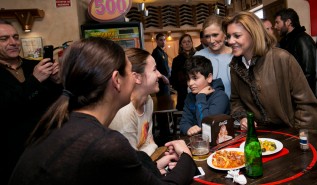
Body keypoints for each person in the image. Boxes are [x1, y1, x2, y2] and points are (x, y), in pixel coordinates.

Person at [8, 37, 198, 185]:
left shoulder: (63, 120)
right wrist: (187, 156)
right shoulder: (105, 142)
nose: (133, 78)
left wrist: (151, 166)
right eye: (130, 71)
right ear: (117, 80)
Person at [224, 11, 317, 131]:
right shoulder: (235, 67)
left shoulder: (281, 58)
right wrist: (243, 117)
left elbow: (307, 106)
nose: (230, 41)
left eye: (237, 36)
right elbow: (236, 101)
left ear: (254, 34)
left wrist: (299, 138)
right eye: (229, 36)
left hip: (288, 133)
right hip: (257, 135)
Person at [0, 20, 62, 184]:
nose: (13, 42)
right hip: (13, 153)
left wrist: (57, 82)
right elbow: (6, 107)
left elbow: (56, 103)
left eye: (15, 37)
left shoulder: (35, 66)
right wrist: (35, 81)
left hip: (48, 147)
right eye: (4, 39)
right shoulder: (37, 73)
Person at [109, 48, 160, 156]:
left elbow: (149, 140)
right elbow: (132, 160)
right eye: (154, 70)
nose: (159, 75)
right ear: (137, 77)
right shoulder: (124, 112)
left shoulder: (148, 100)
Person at [179, 55, 230, 136]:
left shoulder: (221, 97)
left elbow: (207, 126)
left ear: (209, 78)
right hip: (198, 141)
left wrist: (201, 96)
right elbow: (184, 123)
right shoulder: (190, 97)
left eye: (195, 78)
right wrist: (188, 129)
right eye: (188, 79)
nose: (190, 83)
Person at [274, 8, 316, 93]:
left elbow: (309, 73)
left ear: (288, 22)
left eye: (277, 22)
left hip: (301, 94)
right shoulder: (284, 41)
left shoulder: (303, 39)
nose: (275, 26)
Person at [195, 15, 233, 98]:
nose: (211, 41)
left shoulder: (236, 55)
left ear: (225, 33)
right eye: (207, 36)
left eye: (215, 35)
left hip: (235, 108)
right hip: (208, 108)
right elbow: (192, 88)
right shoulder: (199, 56)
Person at [170, 34, 196, 110]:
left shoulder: (198, 56)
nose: (187, 43)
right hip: (183, 92)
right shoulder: (176, 60)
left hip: (198, 90)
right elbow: (173, 78)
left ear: (192, 43)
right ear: (181, 45)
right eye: (184, 42)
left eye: (189, 41)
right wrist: (180, 88)